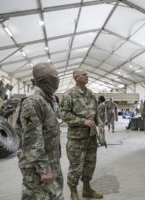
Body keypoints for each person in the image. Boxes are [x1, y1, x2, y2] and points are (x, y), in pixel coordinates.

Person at [15, 63, 64, 200]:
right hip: (37, 166)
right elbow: (32, 139)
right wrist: (44, 169)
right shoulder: (32, 102)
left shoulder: (46, 100)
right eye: (55, 76)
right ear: (44, 79)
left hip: (50, 160)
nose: (58, 79)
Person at [60, 68, 104, 200]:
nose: (87, 76)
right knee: (76, 167)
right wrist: (82, 121)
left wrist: (100, 123)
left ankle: (86, 188)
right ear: (76, 78)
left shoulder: (90, 93)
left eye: (87, 74)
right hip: (76, 139)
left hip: (91, 137)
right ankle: (73, 192)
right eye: (84, 75)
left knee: (90, 164)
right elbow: (63, 114)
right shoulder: (69, 94)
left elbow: (95, 113)